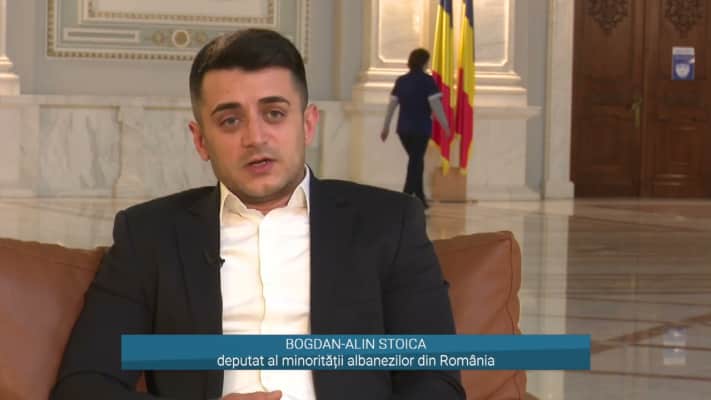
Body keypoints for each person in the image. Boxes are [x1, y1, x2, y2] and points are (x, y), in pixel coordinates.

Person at [51, 29, 464, 400]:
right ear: (201, 140)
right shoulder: (149, 235)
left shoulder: (389, 223)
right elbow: (84, 385)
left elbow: (436, 382)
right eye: (230, 120)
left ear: (308, 124)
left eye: (274, 113)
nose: (255, 137)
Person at [381, 48, 452, 210]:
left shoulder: (401, 81)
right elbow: (436, 106)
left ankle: (420, 198)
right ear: (424, 62)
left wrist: (386, 127)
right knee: (416, 161)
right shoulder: (427, 81)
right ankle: (405, 197)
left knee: (416, 161)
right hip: (421, 128)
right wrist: (445, 126)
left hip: (403, 129)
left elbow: (392, 106)